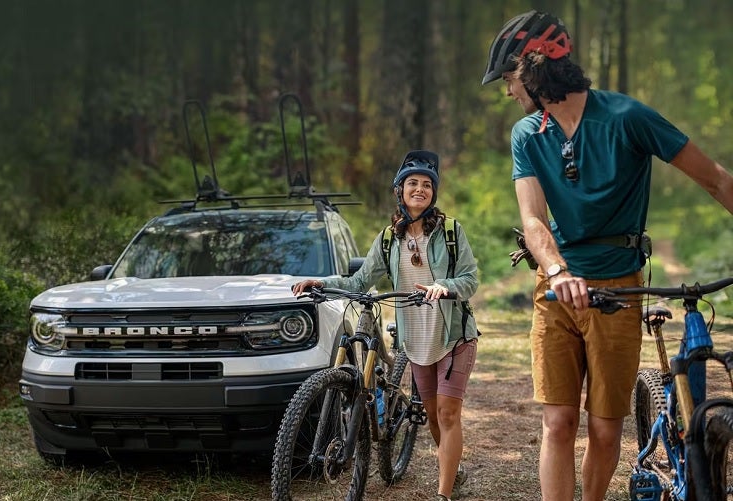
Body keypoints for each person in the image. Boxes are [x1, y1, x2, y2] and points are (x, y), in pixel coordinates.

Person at [481, 10, 733, 501]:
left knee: (603, 429)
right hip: (556, 290)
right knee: (558, 422)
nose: (507, 91)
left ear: (532, 68)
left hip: (619, 289)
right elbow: (533, 220)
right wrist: (557, 270)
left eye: (509, 78)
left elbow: (716, 179)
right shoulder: (527, 134)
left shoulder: (626, 117)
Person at [292, 150, 480, 501]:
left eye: (427, 185)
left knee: (447, 413)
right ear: (400, 190)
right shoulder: (389, 239)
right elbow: (360, 280)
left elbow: (470, 279)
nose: (420, 189)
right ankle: (453, 469)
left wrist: (445, 286)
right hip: (416, 339)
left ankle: (443, 494)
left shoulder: (451, 232)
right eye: (413, 183)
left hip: (453, 337)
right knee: (434, 418)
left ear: (434, 193)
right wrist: (322, 282)